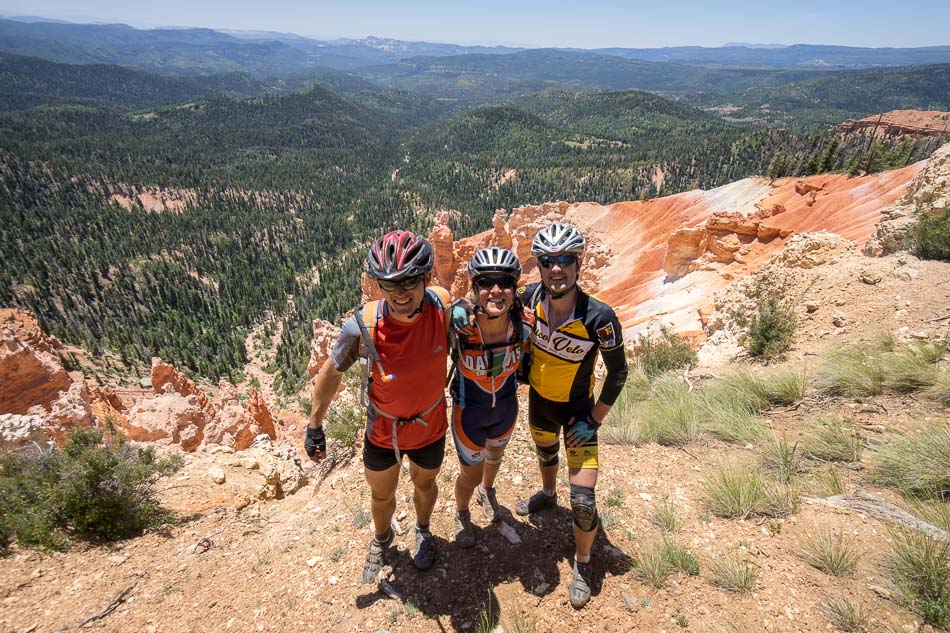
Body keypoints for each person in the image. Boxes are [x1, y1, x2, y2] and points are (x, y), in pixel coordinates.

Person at [305, 229, 455, 584]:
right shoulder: (362, 326)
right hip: (382, 432)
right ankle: (382, 538)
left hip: (430, 426)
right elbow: (330, 374)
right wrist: (314, 425)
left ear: (427, 278)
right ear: (377, 284)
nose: (400, 293)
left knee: (425, 485)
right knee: (381, 495)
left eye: (409, 281)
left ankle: (422, 529)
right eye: (389, 284)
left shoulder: (444, 307)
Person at [515, 222, 628, 609]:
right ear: (540, 267)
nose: (556, 269)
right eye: (548, 261)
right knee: (545, 454)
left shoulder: (600, 317)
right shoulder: (528, 298)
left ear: (578, 264)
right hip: (541, 404)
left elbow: (619, 372)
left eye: (565, 260)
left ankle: (582, 562)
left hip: (579, 413)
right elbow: (488, 301)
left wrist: (594, 420)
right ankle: (547, 494)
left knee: (582, 500)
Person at [449, 247, 529, 548]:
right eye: (486, 283)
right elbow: (430, 298)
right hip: (468, 414)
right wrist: (456, 303)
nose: (496, 290)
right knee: (468, 475)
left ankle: (488, 489)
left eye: (505, 282)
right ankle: (461, 510)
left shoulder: (524, 322)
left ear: (515, 288)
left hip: (506, 412)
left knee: (495, 457)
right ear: (474, 287)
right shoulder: (460, 327)